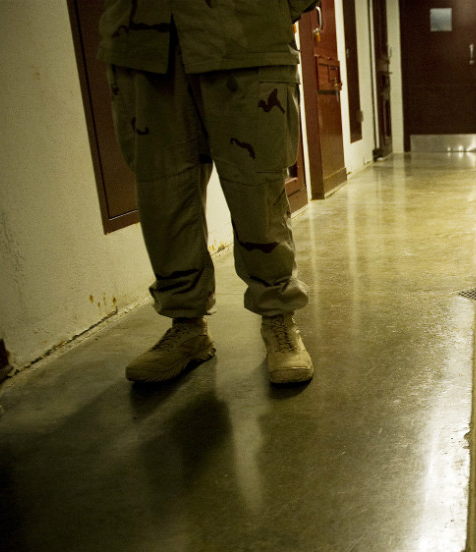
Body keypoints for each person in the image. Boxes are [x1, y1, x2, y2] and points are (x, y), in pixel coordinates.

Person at [98, 0, 321, 384]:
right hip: (143, 40)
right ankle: (187, 326)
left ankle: (278, 319)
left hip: (246, 33)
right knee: (162, 195)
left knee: (258, 190)